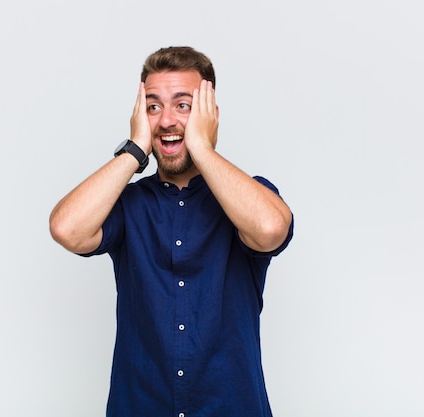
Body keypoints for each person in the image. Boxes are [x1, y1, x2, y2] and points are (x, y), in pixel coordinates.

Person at [49, 46, 294, 417]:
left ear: (209, 115)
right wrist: (135, 149)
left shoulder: (249, 197)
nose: (166, 121)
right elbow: (67, 228)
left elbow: (270, 228)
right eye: (153, 106)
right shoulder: (127, 203)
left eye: (183, 105)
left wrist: (201, 145)